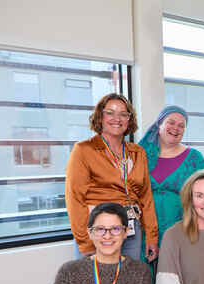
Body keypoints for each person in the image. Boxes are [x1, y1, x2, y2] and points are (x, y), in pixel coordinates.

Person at [65, 93, 158, 261]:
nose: (117, 118)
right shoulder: (83, 150)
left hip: (130, 230)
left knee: (128, 276)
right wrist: (85, 243)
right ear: (100, 117)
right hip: (99, 231)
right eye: (110, 112)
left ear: (129, 120)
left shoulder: (138, 152)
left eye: (123, 114)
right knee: (96, 278)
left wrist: (152, 236)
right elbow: (74, 199)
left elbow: (146, 197)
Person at [138, 105, 204, 250]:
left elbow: (203, 196)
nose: (176, 128)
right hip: (143, 230)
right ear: (159, 124)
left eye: (181, 126)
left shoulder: (195, 158)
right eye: (171, 122)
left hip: (180, 231)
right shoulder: (140, 154)